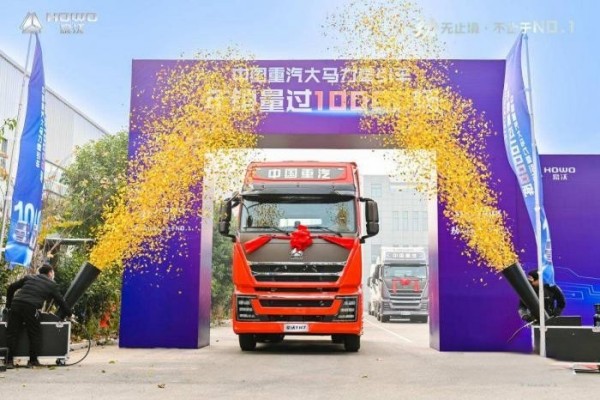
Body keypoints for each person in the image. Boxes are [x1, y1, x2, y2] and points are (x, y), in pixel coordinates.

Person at [4, 263, 72, 369]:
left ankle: (8, 361)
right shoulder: (51, 284)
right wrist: (69, 313)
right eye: (53, 272)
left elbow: (11, 287)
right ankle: (33, 361)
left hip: (16, 304)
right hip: (31, 307)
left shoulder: (29, 278)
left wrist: (8, 305)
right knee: (34, 333)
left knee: (12, 333)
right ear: (50, 273)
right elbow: (60, 301)